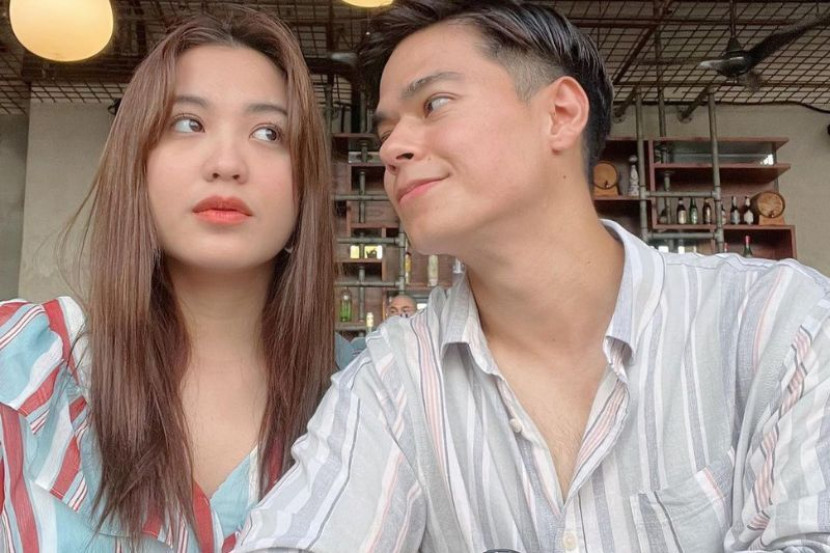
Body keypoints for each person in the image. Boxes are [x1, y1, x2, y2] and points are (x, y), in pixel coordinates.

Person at [235, 1, 830, 552]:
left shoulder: (774, 323)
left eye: (434, 104)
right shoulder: (394, 376)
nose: (392, 150)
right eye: (386, 132)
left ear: (560, 114)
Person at [0, 8, 338, 552]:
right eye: (188, 123)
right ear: (138, 165)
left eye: (268, 132)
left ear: (305, 188)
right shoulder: (23, 364)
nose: (227, 162)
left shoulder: (368, 394)